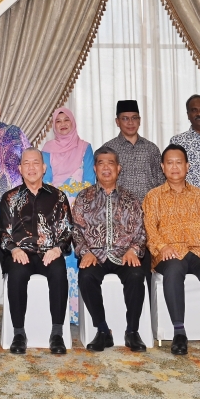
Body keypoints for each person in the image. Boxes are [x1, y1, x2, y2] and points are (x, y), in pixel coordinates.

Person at [143, 144, 200, 357]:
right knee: (173, 268)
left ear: (187, 166)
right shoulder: (153, 197)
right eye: (169, 163)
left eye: (179, 162)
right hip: (169, 253)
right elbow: (149, 229)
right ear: (162, 167)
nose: (174, 167)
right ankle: (179, 332)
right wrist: (162, 247)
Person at [72, 146, 149, 353]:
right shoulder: (83, 198)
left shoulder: (131, 199)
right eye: (101, 163)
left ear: (119, 168)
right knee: (86, 277)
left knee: (135, 275)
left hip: (123, 255)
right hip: (95, 255)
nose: (106, 168)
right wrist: (85, 251)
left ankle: (132, 331)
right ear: (95, 169)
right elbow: (76, 230)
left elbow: (141, 230)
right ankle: (103, 331)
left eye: (111, 163)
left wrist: (133, 249)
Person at [0, 148, 73, 355]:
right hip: (21, 253)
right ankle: (19, 334)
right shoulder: (9, 198)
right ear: (20, 169)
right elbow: (3, 233)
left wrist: (58, 248)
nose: (31, 167)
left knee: (59, 272)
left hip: (49, 253)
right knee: (17, 274)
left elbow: (67, 229)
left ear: (44, 167)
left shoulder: (58, 197)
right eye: (26, 164)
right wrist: (13, 249)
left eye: (36, 163)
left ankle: (57, 333)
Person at [41, 106, 95, 326]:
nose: (63, 124)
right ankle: (60, 313)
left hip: (81, 211)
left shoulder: (85, 147)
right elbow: (47, 183)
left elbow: (90, 181)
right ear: (54, 125)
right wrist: (64, 201)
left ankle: (78, 313)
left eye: (67, 120)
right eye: (58, 121)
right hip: (56, 211)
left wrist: (76, 202)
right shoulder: (47, 149)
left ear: (73, 122)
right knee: (60, 259)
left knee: (78, 256)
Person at [101, 100, 163, 201]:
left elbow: (161, 182)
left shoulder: (151, 149)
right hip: (118, 210)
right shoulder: (108, 149)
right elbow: (102, 183)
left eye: (134, 118)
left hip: (148, 209)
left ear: (140, 121)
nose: (130, 122)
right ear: (117, 122)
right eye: (125, 118)